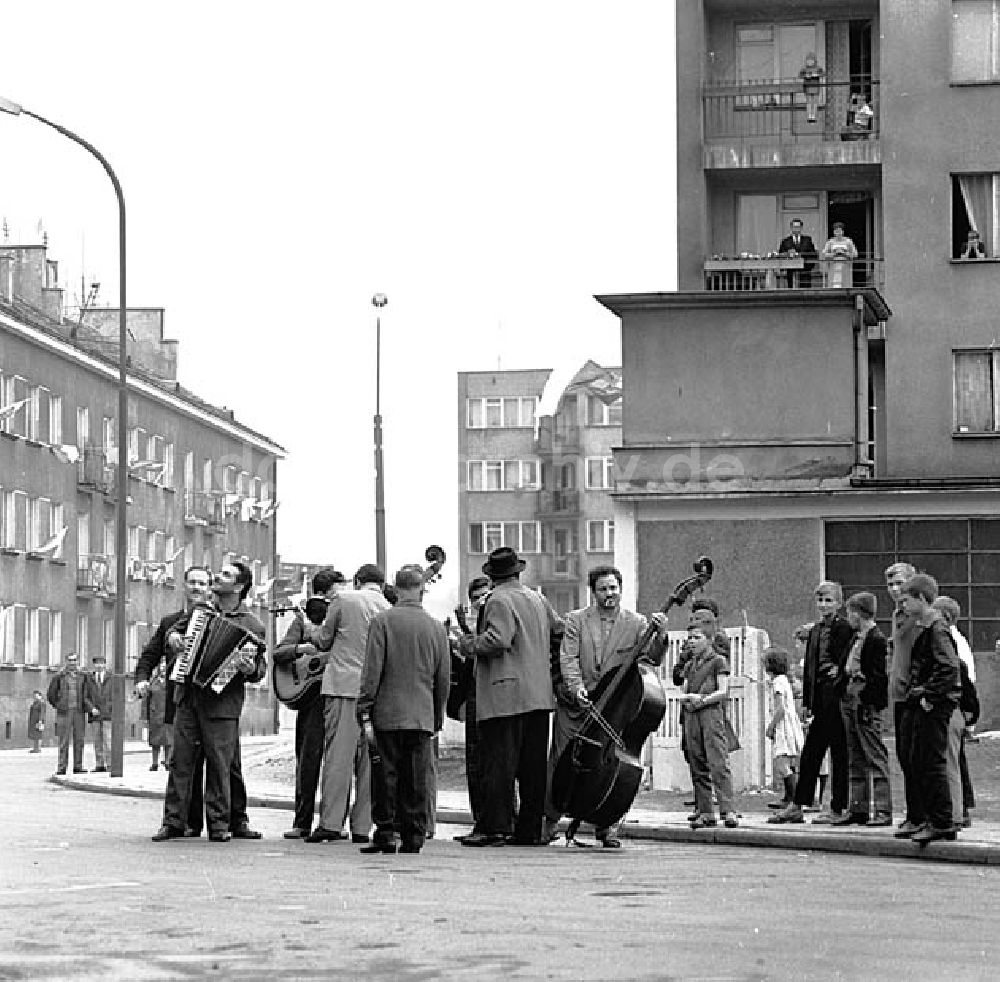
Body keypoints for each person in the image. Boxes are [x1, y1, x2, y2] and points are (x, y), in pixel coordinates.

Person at [543, 565, 668, 847]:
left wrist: (660, 636)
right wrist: (576, 690)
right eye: (603, 589)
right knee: (563, 760)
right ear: (593, 592)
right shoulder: (575, 620)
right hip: (578, 705)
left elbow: (650, 661)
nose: (609, 593)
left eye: (613, 588)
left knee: (612, 768)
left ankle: (607, 825)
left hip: (613, 710)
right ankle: (549, 821)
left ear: (620, 589)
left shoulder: (637, 623)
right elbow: (568, 658)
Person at [150, 561, 267, 843]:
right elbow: (172, 632)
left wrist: (250, 669)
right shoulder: (200, 612)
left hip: (222, 704)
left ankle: (219, 824)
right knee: (180, 762)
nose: (217, 577)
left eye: (226, 575)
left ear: (238, 587)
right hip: (189, 698)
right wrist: (176, 638)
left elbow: (260, 670)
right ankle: (173, 822)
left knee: (220, 765)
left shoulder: (252, 625)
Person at [458, 546, 562, 847]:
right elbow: (559, 630)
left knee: (498, 766)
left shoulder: (497, 599)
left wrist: (469, 645)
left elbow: (498, 640)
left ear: (493, 576)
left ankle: (495, 827)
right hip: (539, 695)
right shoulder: (537, 598)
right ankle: (529, 829)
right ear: (517, 571)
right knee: (532, 768)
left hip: (504, 695)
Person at [357, 564, 450, 854]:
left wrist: (364, 705)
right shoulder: (436, 627)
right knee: (416, 777)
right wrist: (437, 715)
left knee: (385, 775)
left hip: (386, 713)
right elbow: (442, 678)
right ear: (421, 589)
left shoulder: (382, 622)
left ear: (396, 590)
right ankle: (414, 836)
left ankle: (385, 832)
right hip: (421, 714)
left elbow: (372, 670)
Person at [305, 563, 390, 844]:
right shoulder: (390, 607)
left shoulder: (345, 599)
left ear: (357, 580)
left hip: (343, 687)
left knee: (339, 759)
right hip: (376, 693)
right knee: (370, 763)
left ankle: (331, 822)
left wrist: (310, 629)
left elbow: (325, 640)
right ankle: (363, 827)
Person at [769, 581, 852, 825]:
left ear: (839, 603)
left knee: (838, 754)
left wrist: (838, 673)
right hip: (820, 698)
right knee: (811, 754)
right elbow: (811, 670)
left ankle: (837, 806)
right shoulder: (815, 630)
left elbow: (844, 660)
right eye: (821, 600)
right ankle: (799, 804)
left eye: (829, 600)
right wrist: (807, 700)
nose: (824, 605)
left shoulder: (844, 627)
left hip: (836, 698)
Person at [271, 567, 345, 839]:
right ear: (324, 593)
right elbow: (279, 653)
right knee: (308, 760)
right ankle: (301, 822)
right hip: (311, 698)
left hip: (338, 693)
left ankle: (335, 822)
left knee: (339, 761)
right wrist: (301, 649)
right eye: (338, 589)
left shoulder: (347, 616)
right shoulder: (303, 621)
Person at [897, 573, 962, 844]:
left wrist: (930, 695)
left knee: (930, 761)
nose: (903, 606)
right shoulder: (930, 627)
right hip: (927, 701)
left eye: (907, 600)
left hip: (933, 705)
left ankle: (941, 820)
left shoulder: (935, 629)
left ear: (921, 599)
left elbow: (948, 666)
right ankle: (931, 818)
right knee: (919, 760)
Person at [835, 592, 892, 826]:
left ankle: (882, 809)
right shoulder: (856, 637)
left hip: (864, 698)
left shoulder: (876, 640)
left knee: (873, 754)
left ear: (859, 614)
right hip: (850, 694)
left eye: (850, 613)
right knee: (854, 755)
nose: (848, 618)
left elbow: (878, 676)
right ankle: (858, 807)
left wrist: (868, 700)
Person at [680, 623, 739, 828]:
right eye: (690, 638)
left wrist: (702, 699)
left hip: (711, 713)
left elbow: (724, 691)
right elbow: (685, 688)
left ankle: (728, 810)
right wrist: (687, 698)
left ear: (709, 639)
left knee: (718, 762)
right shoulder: (689, 665)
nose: (692, 642)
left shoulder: (718, 662)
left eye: (697, 638)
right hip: (692, 715)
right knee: (697, 763)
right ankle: (705, 811)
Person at [448, 575, 491, 843]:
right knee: (475, 761)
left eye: (485, 596)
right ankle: (480, 821)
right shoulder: (467, 627)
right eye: (476, 598)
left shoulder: (496, 620)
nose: (481, 602)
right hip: (474, 695)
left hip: (495, 696)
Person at [932, 595, 977, 829]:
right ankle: (957, 810)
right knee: (952, 762)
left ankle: (956, 813)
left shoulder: (950, 643)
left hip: (951, 708)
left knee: (951, 763)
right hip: (957, 708)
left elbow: (964, 679)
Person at [885, 561, 923, 836]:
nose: (895, 589)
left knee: (916, 758)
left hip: (913, 696)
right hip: (899, 696)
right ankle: (914, 814)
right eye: (890, 584)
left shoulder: (917, 616)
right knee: (904, 756)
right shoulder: (898, 616)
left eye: (899, 583)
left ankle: (921, 815)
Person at [764, 647, 804, 811]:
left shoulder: (778, 682)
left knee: (781, 763)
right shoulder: (781, 680)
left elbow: (780, 708)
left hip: (783, 725)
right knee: (784, 762)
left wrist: (771, 726)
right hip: (787, 723)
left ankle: (793, 798)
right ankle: (789, 797)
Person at [46, 652, 94, 775]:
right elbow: (51, 694)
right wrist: (58, 705)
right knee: (63, 741)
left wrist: (86, 707)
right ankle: (62, 767)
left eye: (74, 660)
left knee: (79, 740)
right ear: (66, 661)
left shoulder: (83, 676)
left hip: (79, 711)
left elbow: (88, 692)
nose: (72, 663)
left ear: (78, 661)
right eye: (70, 660)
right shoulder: (59, 676)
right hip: (64, 712)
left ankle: (78, 766)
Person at [85, 653, 112, 773]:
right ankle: (99, 764)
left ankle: (110, 764)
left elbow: (116, 695)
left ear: (105, 665)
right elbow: (85, 696)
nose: (99, 666)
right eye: (97, 663)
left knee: (108, 740)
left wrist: (109, 707)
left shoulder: (111, 677)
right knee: (97, 740)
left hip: (107, 714)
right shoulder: (90, 678)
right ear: (94, 665)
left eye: (101, 663)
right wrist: (91, 708)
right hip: (94, 714)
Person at [143, 662, 171, 771]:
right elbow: (146, 701)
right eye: (162, 668)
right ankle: (154, 763)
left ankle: (167, 762)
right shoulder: (153, 683)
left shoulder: (171, 683)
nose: (163, 670)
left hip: (168, 715)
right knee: (155, 742)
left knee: (168, 741)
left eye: (165, 668)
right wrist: (145, 717)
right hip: (155, 716)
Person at [778, 219, 818, 287]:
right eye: (794, 227)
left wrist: (808, 267)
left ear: (801, 228)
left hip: (805, 271)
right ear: (791, 228)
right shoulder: (785, 241)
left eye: (798, 227)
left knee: (806, 292)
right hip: (791, 271)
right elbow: (781, 255)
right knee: (792, 291)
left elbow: (813, 255)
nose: (796, 229)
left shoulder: (807, 240)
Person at [820, 222, 859, 287]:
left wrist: (844, 253)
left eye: (839, 231)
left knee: (845, 284)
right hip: (833, 266)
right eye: (836, 231)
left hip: (845, 266)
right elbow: (824, 254)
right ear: (834, 232)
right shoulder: (830, 242)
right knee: (834, 284)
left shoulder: (848, 241)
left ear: (842, 231)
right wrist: (834, 253)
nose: (838, 233)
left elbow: (855, 254)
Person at [799, 51, 825, 122]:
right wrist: (806, 76)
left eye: (811, 60)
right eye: (808, 60)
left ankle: (814, 116)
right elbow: (800, 75)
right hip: (807, 86)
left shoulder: (818, 68)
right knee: (809, 102)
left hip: (816, 86)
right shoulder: (804, 68)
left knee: (815, 102)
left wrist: (816, 75)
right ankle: (809, 116)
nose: (810, 62)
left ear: (814, 61)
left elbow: (823, 74)